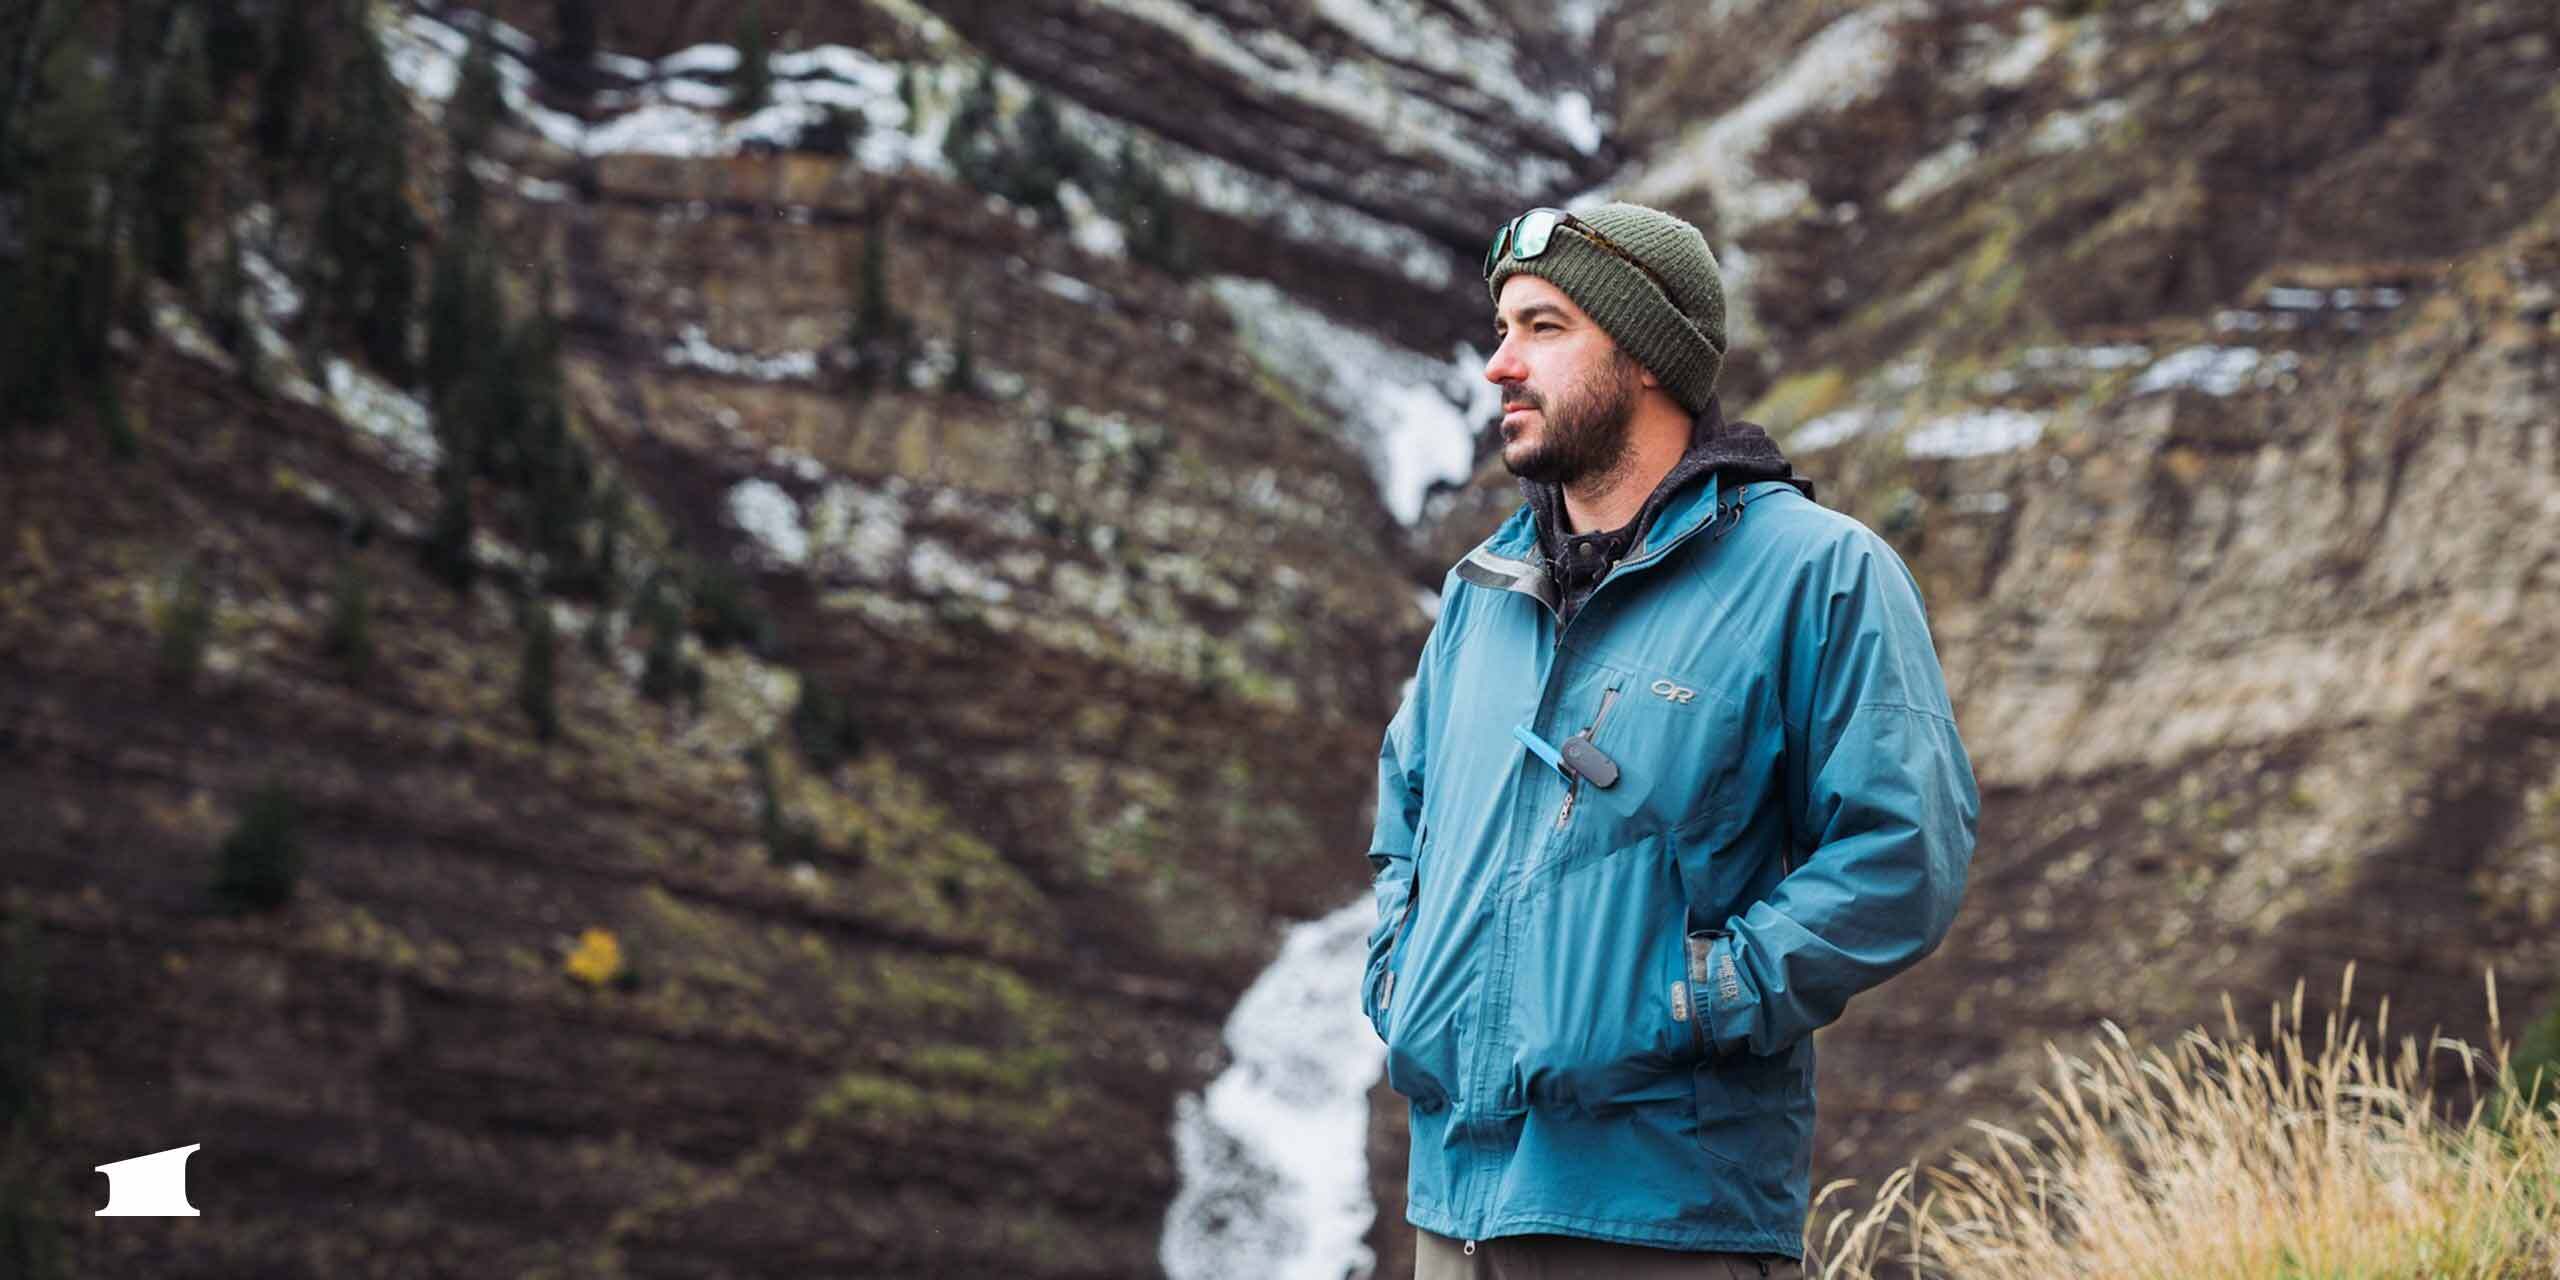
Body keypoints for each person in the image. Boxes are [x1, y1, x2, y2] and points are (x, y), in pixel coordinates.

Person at [1362, 202, 1979, 1278]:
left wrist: (1705, 992)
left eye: (1543, 328)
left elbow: (1901, 847)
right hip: (1452, 1206)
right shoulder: (1480, 592)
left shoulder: (1818, 573)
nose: (1500, 365)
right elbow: (1405, 819)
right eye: (1502, 327)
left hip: (1662, 1217)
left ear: (1646, 355)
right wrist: (1400, 976)